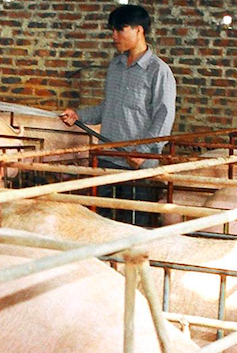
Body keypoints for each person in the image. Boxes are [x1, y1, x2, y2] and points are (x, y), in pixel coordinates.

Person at [60, 4, 176, 225]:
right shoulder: (116, 65)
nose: (114, 36)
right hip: (107, 156)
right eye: (112, 30)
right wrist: (79, 115)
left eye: (120, 29)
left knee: (133, 225)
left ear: (139, 30)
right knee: (98, 221)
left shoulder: (158, 71)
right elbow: (109, 107)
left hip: (136, 164)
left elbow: (164, 117)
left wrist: (144, 152)